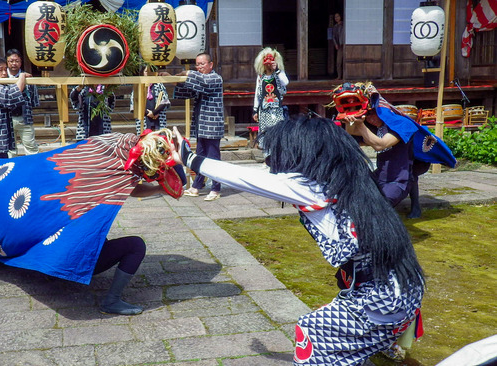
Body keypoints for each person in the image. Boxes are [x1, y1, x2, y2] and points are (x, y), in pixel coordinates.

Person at [170, 116, 426, 365]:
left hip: (379, 299)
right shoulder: (351, 179)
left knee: (313, 333)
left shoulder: (313, 188)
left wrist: (189, 157)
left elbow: (250, 180)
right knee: (339, 347)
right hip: (403, 289)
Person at [0, 129, 185, 315]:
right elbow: (131, 185)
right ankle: (111, 301)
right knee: (136, 245)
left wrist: (163, 188)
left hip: (27, 227)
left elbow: (131, 186)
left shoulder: (109, 151)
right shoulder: (113, 166)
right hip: (42, 235)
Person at [331, 82, 456, 218]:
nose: (370, 118)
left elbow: (380, 145)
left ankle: (415, 207)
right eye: (368, 115)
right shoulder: (377, 127)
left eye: (373, 114)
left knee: (380, 206)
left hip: (399, 178)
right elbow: (353, 136)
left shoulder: (403, 125)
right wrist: (352, 119)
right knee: (351, 196)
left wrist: (360, 125)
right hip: (380, 176)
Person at [164, 52, 224, 201]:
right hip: (201, 125)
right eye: (197, 65)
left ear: (211, 64)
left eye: (202, 64)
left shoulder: (215, 78)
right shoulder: (199, 79)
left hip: (212, 125)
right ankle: (197, 186)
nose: (199, 67)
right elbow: (187, 90)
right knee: (200, 157)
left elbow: (202, 82)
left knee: (213, 158)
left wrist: (187, 73)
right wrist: (173, 79)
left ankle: (216, 188)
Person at [0, 57, 30, 159]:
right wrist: (22, 76)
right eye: (0, 70)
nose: (4, 73)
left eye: (5, 70)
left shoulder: (1, 86)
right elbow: (11, 94)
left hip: (0, 139)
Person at [252, 47, 289, 149]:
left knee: (277, 134)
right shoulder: (261, 76)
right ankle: (267, 158)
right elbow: (257, 94)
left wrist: (276, 69)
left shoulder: (279, 73)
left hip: (276, 110)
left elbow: (285, 82)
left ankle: (276, 157)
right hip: (264, 111)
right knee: (265, 134)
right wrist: (255, 110)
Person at [6, 49, 40, 156]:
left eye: (16, 61)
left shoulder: (28, 77)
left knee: (31, 146)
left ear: (21, 62)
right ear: (7, 62)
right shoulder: (2, 78)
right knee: (10, 149)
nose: (14, 64)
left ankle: (32, 170)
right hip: (7, 117)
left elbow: (34, 99)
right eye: (11, 61)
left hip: (24, 117)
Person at [132, 67, 171, 134]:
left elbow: (165, 101)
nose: (148, 73)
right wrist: (149, 113)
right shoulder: (138, 86)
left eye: (150, 71)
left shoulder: (159, 84)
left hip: (158, 116)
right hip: (144, 117)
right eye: (146, 71)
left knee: (159, 138)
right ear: (142, 72)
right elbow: (134, 103)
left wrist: (154, 112)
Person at [333, 12, 344, 80]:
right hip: (339, 46)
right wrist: (335, 44)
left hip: (345, 44)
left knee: (345, 61)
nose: (336, 18)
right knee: (338, 62)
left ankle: (345, 76)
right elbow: (333, 36)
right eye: (335, 17)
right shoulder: (335, 27)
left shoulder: (344, 25)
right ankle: (339, 76)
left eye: (338, 16)